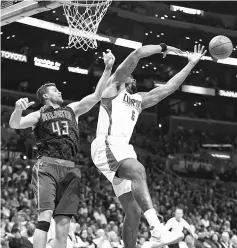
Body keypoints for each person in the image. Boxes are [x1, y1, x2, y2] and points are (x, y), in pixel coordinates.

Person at [91, 43, 206, 248]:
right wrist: (165, 48)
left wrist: (190, 64)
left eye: (133, 76)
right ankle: (157, 231)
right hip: (106, 144)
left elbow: (170, 88)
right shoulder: (113, 88)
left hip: (123, 149)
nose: (132, 76)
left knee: (133, 212)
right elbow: (137, 54)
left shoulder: (140, 100)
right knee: (138, 170)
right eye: (129, 74)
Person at [9, 50, 115, 248]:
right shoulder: (39, 115)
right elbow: (16, 124)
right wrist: (17, 109)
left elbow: (97, 95)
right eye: (55, 90)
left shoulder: (72, 109)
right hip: (47, 165)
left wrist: (108, 68)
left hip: (70, 169)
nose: (59, 92)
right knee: (45, 215)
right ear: (45, 96)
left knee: (64, 223)